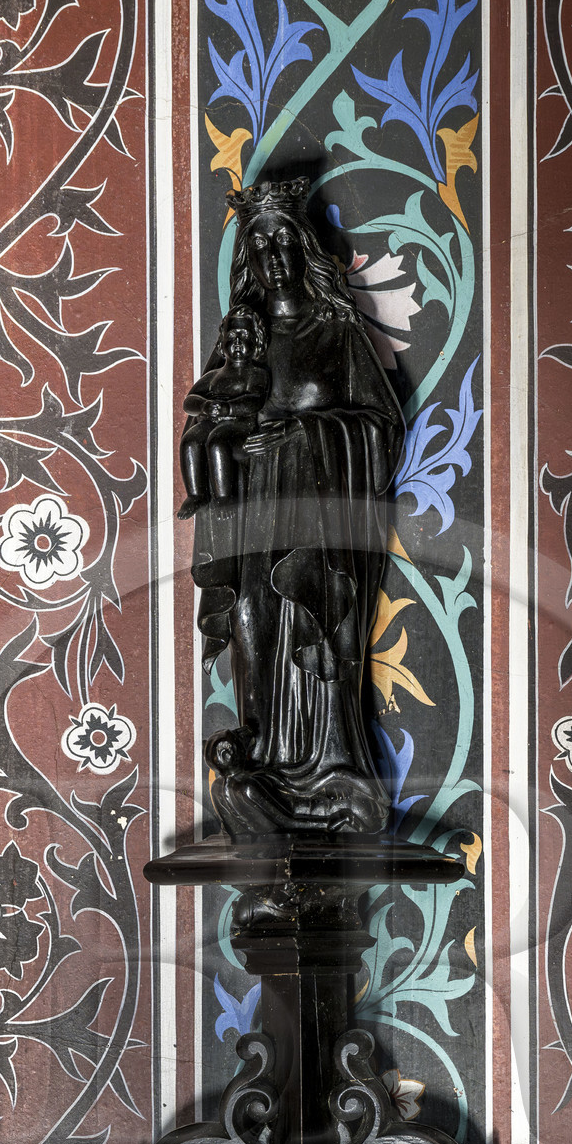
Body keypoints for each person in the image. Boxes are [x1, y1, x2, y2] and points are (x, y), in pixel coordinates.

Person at [181, 172, 404, 838]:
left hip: (319, 515)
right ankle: (270, 768)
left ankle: (332, 774)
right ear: (247, 261)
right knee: (255, 622)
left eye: (283, 241)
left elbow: (380, 428)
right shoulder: (241, 339)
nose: (273, 257)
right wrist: (229, 442)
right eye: (259, 246)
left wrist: (303, 434)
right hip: (254, 515)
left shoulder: (337, 332)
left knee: (317, 632)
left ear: (303, 248)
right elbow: (208, 422)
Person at [179, 309, 270, 516]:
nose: (237, 342)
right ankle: (196, 494)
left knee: (218, 442)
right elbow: (189, 401)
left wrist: (228, 408)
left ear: (257, 341)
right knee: (191, 440)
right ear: (222, 340)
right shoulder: (213, 376)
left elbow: (254, 401)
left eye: (244, 336)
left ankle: (224, 497)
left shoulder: (256, 374)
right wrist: (204, 406)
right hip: (210, 421)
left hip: (239, 425)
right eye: (232, 335)